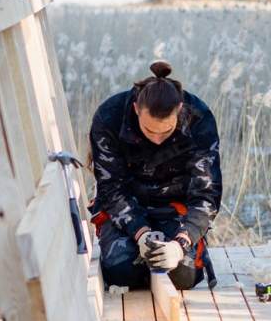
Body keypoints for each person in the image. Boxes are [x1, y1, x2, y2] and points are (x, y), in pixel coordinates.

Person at [89, 60, 222, 291]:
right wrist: (141, 234)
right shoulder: (109, 117)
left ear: (179, 109)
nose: (157, 140)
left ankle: (191, 251)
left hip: (175, 208)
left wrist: (181, 243)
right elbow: (111, 189)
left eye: (166, 131)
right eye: (149, 130)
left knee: (183, 276)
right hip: (126, 209)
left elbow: (207, 194)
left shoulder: (199, 119)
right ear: (136, 109)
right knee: (121, 272)